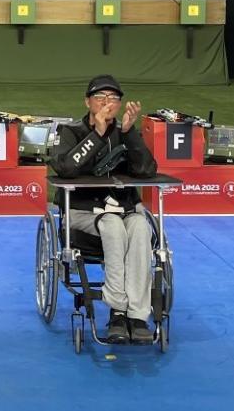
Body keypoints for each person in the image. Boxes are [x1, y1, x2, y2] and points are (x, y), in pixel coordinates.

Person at [48, 74, 158, 344]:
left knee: (142, 227)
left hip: (125, 209)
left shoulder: (125, 131)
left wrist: (131, 132)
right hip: (84, 213)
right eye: (101, 98)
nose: (107, 103)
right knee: (112, 226)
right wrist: (97, 133)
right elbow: (65, 168)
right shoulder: (69, 132)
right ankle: (118, 311)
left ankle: (138, 315)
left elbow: (146, 170)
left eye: (113, 98)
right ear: (88, 102)